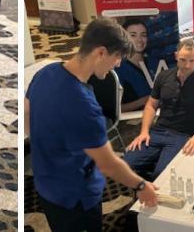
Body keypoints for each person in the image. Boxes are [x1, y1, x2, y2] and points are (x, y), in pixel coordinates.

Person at [25, 18, 158, 232]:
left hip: (45, 184)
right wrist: (141, 186)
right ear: (101, 53)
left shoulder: (45, 73)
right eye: (117, 58)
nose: (118, 64)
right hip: (76, 196)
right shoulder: (84, 106)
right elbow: (108, 164)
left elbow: (29, 116)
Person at [124, 40, 194, 179]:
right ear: (176, 56)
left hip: (182, 136)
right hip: (157, 131)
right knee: (126, 164)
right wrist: (144, 131)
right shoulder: (164, 76)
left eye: (192, 61)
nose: (187, 65)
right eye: (182, 60)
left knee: (162, 174)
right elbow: (151, 105)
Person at [115, 17, 162, 112]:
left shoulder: (155, 63)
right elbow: (114, 109)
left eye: (143, 35)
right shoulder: (118, 68)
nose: (139, 40)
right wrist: (143, 101)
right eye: (133, 35)